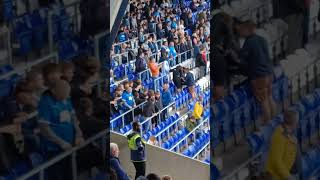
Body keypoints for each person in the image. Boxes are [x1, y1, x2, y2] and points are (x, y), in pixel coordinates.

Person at [38, 80, 84, 180]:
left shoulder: (65, 99)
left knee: (70, 174)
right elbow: (44, 128)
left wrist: (78, 134)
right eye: (64, 94)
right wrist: (61, 142)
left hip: (70, 146)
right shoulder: (45, 103)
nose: (67, 97)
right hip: (54, 150)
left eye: (67, 93)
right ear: (54, 91)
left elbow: (73, 117)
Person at [235, 21, 276, 125]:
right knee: (270, 97)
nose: (240, 32)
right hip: (269, 73)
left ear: (246, 29)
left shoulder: (249, 42)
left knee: (263, 101)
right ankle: (274, 121)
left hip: (259, 76)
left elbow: (241, 59)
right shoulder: (262, 39)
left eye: (242, 29)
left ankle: (268, 124)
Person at [265, 110, 300, 179]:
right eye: (297, 120)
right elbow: (276, 161)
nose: (297, 123)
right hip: (277, 177)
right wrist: (288, 176)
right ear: (293, 122)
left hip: (288, 173)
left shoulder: (290, 134)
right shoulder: (279, 136)